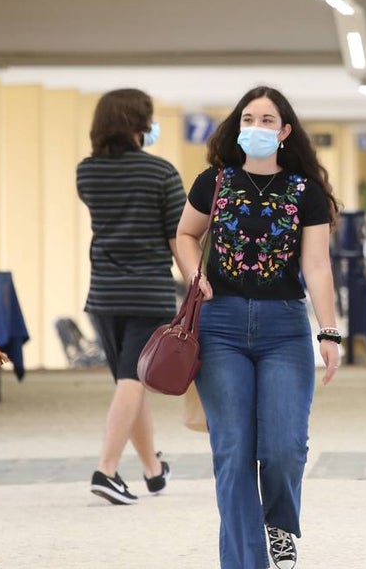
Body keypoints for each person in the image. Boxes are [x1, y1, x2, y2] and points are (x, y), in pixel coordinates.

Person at [175, 86, 342, 569]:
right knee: (232, 450)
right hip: (220, 325)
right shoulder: (214, 181)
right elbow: (186, 233)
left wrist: (328, 333)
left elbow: (317, 266)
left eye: (268, 120)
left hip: (283, 330)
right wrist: (195, 273)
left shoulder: (307, 192)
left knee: (284, 447)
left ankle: (280, 525)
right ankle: (247, 563)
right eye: (249, 118)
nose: (257, 127)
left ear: (285, 132)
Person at [77, 88, 185, 505]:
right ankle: (105, 470)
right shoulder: (160, 173)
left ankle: (153, 471)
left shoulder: (86, 171)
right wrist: (198, 282)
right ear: (139, 124)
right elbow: (178, 238)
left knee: (131, 382)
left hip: (104, 295)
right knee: (133, 380)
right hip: (148, 293)